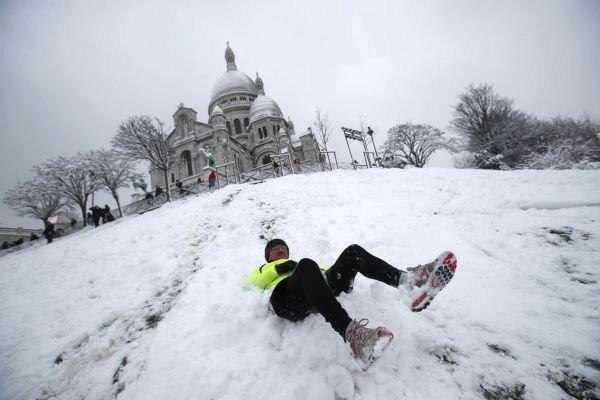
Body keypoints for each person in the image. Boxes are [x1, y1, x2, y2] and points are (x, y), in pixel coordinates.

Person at [248, 239, 457, 369]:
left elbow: (323, 273)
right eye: (274, 248)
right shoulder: (262, 270)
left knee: (352, 252)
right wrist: (281, 267)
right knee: (306, 265)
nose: (280, 249)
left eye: (283, 246)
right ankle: (354, 337)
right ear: (268, 257)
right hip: (286, 298)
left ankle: (409, 283)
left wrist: (344, 272)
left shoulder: (303, 266)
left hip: (312, 287)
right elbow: (255, 283)